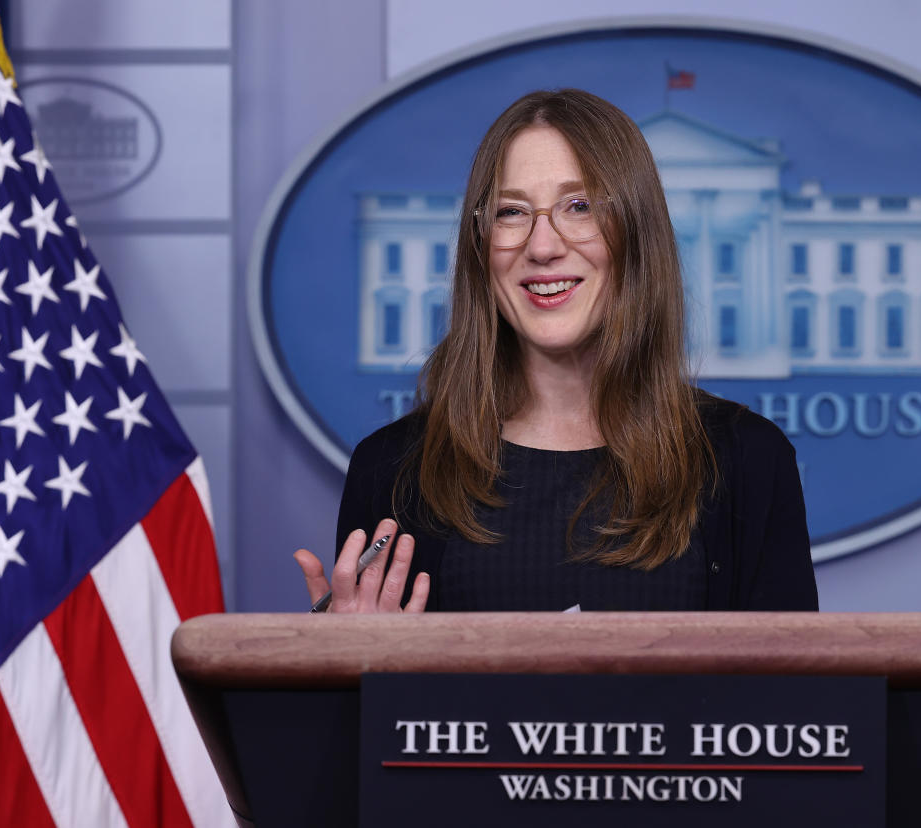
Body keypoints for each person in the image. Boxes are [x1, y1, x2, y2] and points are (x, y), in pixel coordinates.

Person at [294, 89, 818, 613]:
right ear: (479, 245)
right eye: (511, 212)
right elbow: (360, 696)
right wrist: (344, 666)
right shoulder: (390, 467)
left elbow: (796, 694)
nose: (541, 247)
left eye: (580, 206)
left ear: (637, 233)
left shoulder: (749, 459)